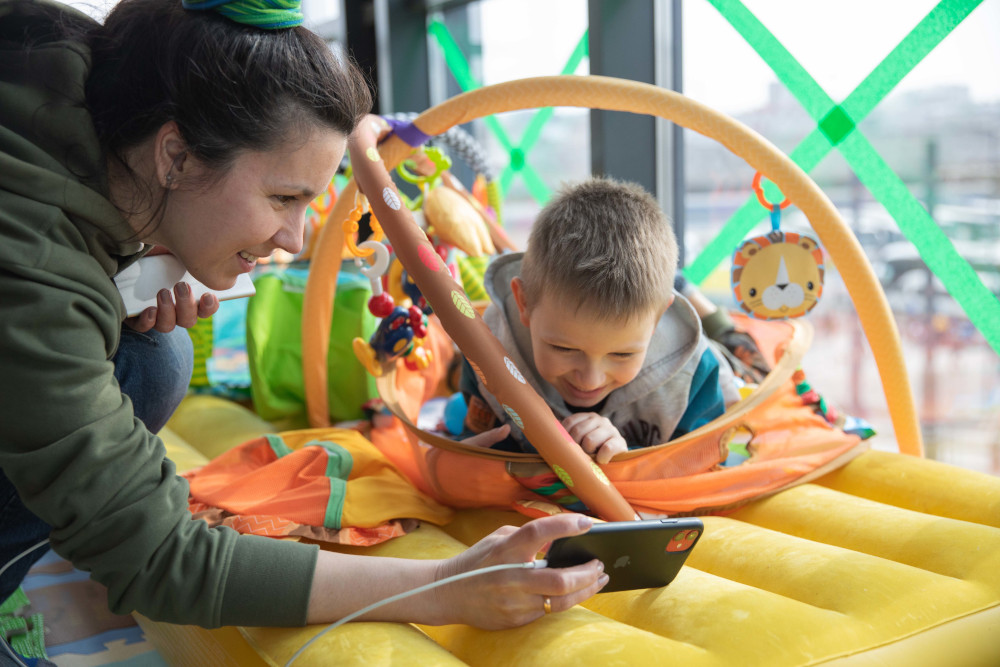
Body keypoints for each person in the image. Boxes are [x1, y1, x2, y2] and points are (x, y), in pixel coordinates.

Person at [0, 0, 607, 654]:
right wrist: (443, 584)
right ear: (174, 156)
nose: (291, 238)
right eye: (281, 198)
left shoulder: (64, 72)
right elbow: (163, 558)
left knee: (156, 352)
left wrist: (128, 263)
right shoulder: (37, 273)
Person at [461, 177, 742, 462]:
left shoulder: (694, 374)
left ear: (658, 320)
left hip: (701, 352)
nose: (589, 380)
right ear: (523, 303)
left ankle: (704, 310)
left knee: (744, 356)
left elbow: (704, 465)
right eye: (564, 348)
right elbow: (478, 443)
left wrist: (624, 460)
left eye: (622, 353)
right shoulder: (487, 352)